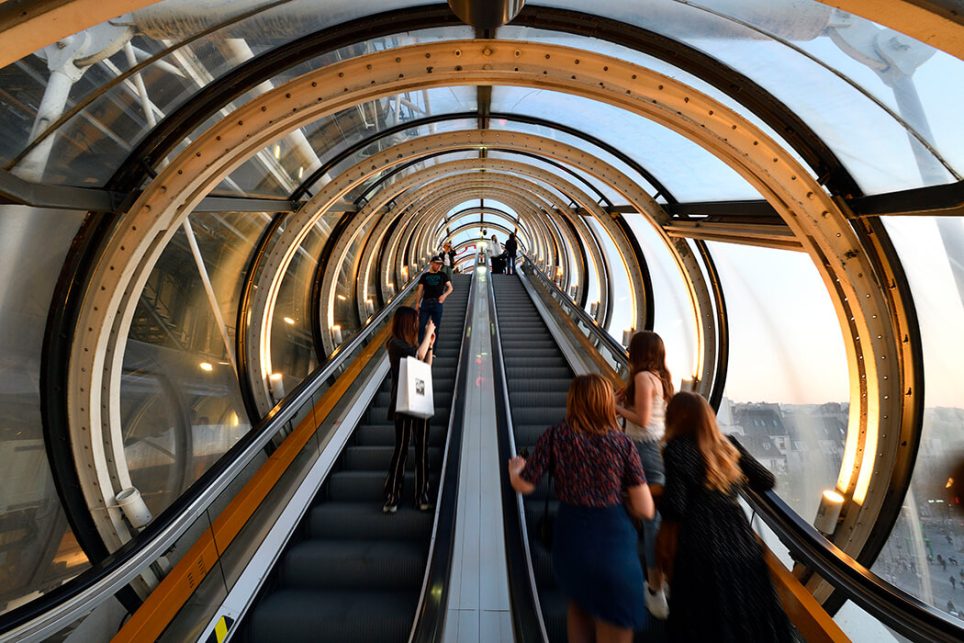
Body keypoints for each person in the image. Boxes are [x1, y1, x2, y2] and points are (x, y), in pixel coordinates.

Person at [508, 374, 654, 643]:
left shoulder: (556, 437)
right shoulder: (622, 445)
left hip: (572, 540)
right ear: (607, 403)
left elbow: (525, 486)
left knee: (580, 606)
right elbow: (646, 509)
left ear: (573, 401)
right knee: (613, 618)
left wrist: (515, 469)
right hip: (613, 546)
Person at [659, 392, 792, 642]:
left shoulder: (676, 449)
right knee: (746, 607)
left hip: (700, 542)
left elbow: (676, 506)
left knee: (704, 616)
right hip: (740, 537)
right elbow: (766, 480)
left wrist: (657, 494)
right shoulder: (729, 444)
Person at [615, 331, 673, 619]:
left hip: (643, 453)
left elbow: (643, 419)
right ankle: (659, 583)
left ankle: (654, 589)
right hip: (654, 450)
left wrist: (611, 406)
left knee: (651, 521)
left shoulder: (641, 378)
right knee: (652, 519)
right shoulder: (657, 379)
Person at [383, 306, 435, 513]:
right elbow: (418, 356)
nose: (417, 324)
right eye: (414, 321)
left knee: (422, 450)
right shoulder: (394, 344)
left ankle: (421, 494)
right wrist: (428, 333)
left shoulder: (411, 344)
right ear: (406, 322)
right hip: (403, 402)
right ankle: (393, 495)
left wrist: (430, 345)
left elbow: (426, 366)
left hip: (420, 398)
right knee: (402, 448)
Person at [416, 255, 453, 344]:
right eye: (437, 264)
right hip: (426, 303)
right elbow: (420, 290)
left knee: (435, 327)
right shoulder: (425, 276)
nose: (439, 266)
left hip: (437, 303)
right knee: (421, 326)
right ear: (431, 263)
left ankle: (432, 350)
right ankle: (420, 347)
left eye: (440, 264)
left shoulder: (442, 275)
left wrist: (444, 296)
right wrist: (417, 303)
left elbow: (450, 288)